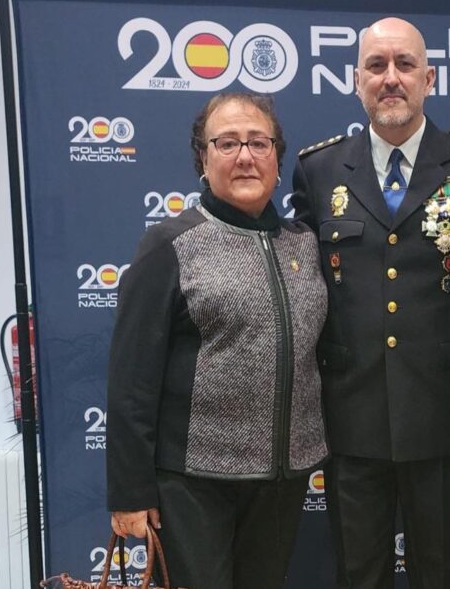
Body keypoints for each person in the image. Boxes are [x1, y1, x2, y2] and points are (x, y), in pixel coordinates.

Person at [291, 17, 450, 589]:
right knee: (360, 574)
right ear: (356, 80)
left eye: (405, 65)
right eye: (376, 66)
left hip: (443, 416)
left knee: (441, 574)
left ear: (428, 79)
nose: (391, 78)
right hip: (352, 418)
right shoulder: (319, 169)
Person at [105, 92, 328, 589]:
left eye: (258, 143)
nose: (245, 156)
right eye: (227, 143)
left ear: (277, 159)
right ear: (203, 162)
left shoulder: (304, 243)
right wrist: (130, 493)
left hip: (281, 483)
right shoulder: (169, 245)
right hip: (193, 486)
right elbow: (131, 381)